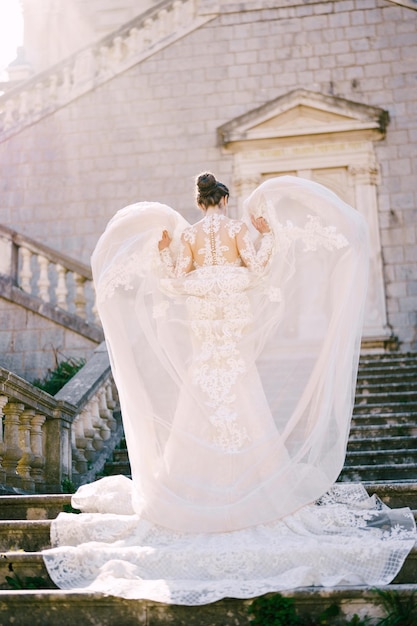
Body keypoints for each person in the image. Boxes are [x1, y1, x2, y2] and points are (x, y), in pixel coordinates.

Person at [43, 173, 416, 605]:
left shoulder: (190, 237)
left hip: (206, 332)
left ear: (200, 204)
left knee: (201, 395)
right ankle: (252, 489)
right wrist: (269, 236)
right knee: (241, 394)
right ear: (224, 199)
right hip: (232, 330)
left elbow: (177, 280)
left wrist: (165, 252)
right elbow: (258, 271)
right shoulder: (239, 229)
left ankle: (189, 488)